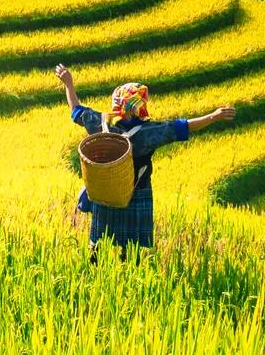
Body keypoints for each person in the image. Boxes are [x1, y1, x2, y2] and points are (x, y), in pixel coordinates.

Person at [54, 67, 235, 253]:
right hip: (136, 192)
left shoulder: (101, 124)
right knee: (133, 249)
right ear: (139, 106)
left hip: (106, 193)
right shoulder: (149, 132)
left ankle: (95, 270)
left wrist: (68, 83)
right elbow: (184, 127)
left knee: (98, 245)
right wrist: (214, 116)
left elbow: (76, 110)